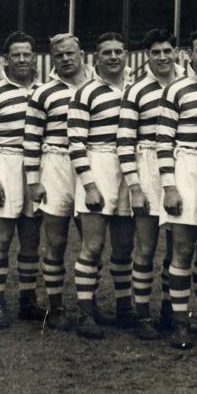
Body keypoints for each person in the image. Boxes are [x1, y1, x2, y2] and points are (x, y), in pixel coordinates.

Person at [157, 28, 197, 350]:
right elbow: (163, 141)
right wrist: (169, 187)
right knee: (182, 251)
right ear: (189, 54)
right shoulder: (176, 89)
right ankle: (181, 323)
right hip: (186, 167)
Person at [0, 31, 45, 329]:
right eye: (16, 55)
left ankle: (27, 301)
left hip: (37, 167)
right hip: (4, 163)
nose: (22, 59)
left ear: (34, 57)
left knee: (31, 239)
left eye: (27, 54)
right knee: (1, 239)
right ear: (5, 60)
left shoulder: (45, 90)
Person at [24, 33, 93, 331]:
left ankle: (89, 308)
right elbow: (31, 139)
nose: (66, 59)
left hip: (92, 166)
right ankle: (56, 307)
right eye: (59, 55)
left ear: (82, 54)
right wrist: (33, 181)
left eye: (70, 53)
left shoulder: (97, 87)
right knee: (56, 241)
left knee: (92, 240)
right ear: (52, 59)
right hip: (56, 165)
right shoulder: (44, 93)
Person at [69, 32, 135, 340]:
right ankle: (86, 312)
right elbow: (76, 142)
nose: (112, 57)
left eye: (118, 52)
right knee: (93, 245)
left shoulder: (135, 90)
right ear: (96, 57)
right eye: (106, 52)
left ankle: (124, 309)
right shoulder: (86, 92)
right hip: (98, 165)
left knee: (124, 247)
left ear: (126, 55)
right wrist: (90, 185)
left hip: (129, 169)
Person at [117, 28, 181, 340]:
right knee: (145, 246)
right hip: (146, 166)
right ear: (147, 56)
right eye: (155, 53)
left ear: (176, 52)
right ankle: (142, 314)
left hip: (180, 167)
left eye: (167, 51)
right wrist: (135, 187)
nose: (162, 57)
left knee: (177, 246)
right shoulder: (136, 90)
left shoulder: (188, 85)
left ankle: (171, 308)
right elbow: (125, 141)